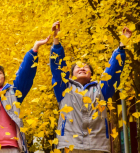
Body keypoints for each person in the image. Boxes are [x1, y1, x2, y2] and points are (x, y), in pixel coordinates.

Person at [49, 21, 132, 153]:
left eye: (85, 66)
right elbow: (57, 68)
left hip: (97, 146)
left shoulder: (101, 90)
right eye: (78, 66)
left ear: (91, 75)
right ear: (70, 75)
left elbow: (113, 71)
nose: (82, 67)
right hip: (71, 146)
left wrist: (122, 46)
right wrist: (56, 41)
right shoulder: (64, 88)